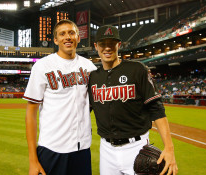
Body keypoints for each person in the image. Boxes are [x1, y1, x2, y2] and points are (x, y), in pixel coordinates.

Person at [88, 25, 178, 175]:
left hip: (136, 148)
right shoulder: (93, 77)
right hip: (106, 150)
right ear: (96, 46)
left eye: (112, 43)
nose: (107, 48)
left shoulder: (137, 69)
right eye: (103, 44)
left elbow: (156, 109)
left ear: (119, 45)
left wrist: (169, 148)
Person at [23, 19, 97, 175]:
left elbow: (93, 103)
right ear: (56, 40)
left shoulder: (90, 67)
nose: (67, 37)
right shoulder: (42, 66)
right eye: (62, 34)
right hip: (52, 148)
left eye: (71, 33)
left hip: (82, 149)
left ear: (78, 37)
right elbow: (30, 113)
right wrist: (32, 160)